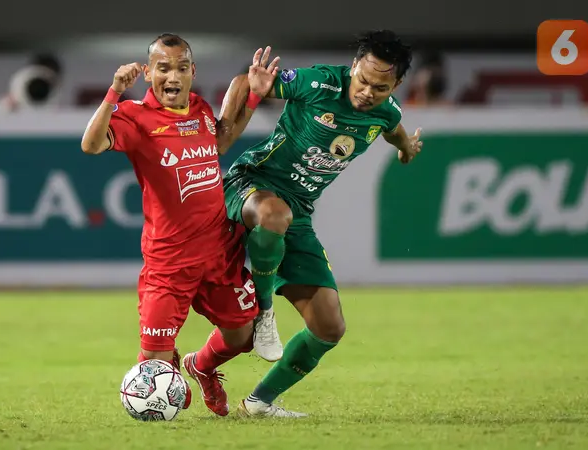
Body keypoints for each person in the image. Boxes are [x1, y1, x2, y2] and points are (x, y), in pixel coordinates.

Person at [219, 30, 424, 417]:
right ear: (353, 68)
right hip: (251, 182)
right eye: (363, 80)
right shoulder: (320, 83)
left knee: (329, 327)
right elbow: (244, 82)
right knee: (273, 213)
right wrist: (234, 119)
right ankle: (264, 313)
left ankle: (259, 402)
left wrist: (406, 149)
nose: (367, 92)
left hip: (296, 213)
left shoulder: (387, 112)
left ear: (396, 85)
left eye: (380, 87)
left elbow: (394, 131)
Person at [81, 33, 280, 417]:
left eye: (181, 67)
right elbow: (90, 145)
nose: (173, 75)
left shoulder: (200, 109)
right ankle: (168, 365)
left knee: (242, 336)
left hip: (219, 252)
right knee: (152, 370)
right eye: (163, 67)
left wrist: (253, 97)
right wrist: (113, 93)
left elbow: (222, 141)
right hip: (169, 262)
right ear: (149, 72)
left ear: (192, 72)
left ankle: (200, 366)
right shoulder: (134, 116)